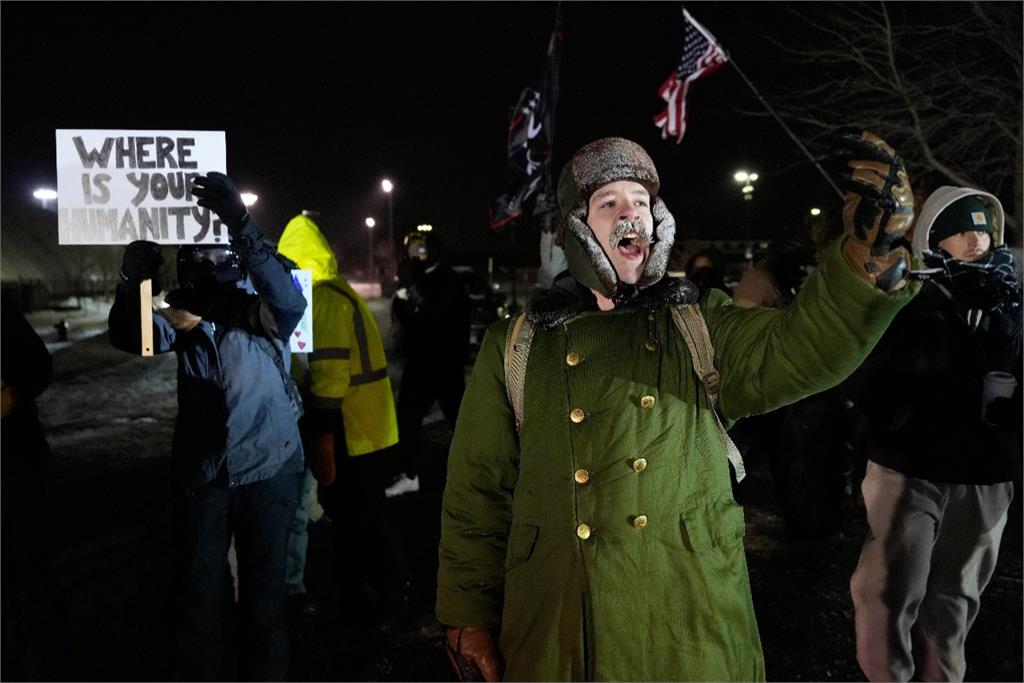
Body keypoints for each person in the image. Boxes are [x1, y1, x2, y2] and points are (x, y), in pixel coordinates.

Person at [435, 133, 920, 681]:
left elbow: (799, 348)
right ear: (576, 226)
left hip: (689, 619)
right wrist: (466, 616)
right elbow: (477, 491)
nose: (630, 216)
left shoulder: (698, 322)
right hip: (560, 628)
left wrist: (864, 263)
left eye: (641, 202)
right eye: (609, 202)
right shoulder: (517, 344)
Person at [108, 172, 307, 681]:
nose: (205, 261)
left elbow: (288, 305)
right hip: (205, 471)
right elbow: (136, 337)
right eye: (196, 254)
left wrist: (242, 222)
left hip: (269, 463)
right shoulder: (182, 306)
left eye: (215, 251)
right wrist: (134, 285)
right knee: (198, 597)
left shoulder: (260, 294)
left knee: (264, 603)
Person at [847, 186, 1022, 682]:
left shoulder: (1012, 297)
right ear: (934, 237)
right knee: (887, 591)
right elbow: (858, 368)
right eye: (962, 229)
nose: (977, 238)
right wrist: (904, 402)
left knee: (957, 600)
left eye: (984, 228)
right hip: (910, 466)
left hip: (985, 472)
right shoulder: (906, 294)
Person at [276, 213, 412, 629]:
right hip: (364, 428)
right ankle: (360, 591)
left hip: (356, 431)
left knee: (367, 517)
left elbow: (330, 379)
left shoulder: (325, 300)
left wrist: (319, 432)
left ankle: (393, 594)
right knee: (357, 518)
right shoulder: (325, 295)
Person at [1, 305, 71, 681]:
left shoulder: (2, 314)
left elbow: (39, 367)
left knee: (30, 581)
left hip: (14, 466)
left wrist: (13, 392)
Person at [388, 230, 472, 497]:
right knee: (407, 420)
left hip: (446, 367)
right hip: (420, 366)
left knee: (461, 422)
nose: (416, 255)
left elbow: (434, 319)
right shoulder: (419, 278)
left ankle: (477, 474)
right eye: (412, 250)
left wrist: (411, 292)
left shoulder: (449, 280)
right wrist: (402, 305)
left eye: (421, 250)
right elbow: (411, 322)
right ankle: (409, 474)